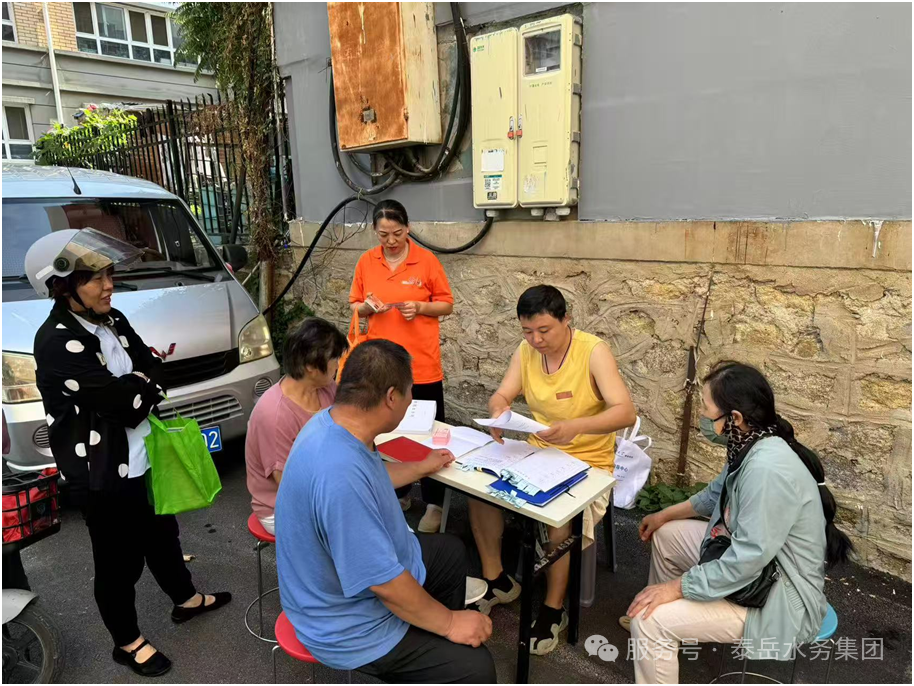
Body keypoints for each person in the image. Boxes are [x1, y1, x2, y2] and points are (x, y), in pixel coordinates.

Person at [26, 228, 230, 678]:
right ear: (63, 286)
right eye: (95, 278)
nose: (108, 286)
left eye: (109, 274)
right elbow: (123, 403)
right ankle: (127, 642)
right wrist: (138, 385)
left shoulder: (112, 319)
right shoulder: (56, 341)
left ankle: (185, 599)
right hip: (101, 473)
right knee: (118, 562)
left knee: (163, 535)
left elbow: (155, 370)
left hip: (144, 455)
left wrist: (138, 383)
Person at [276, 340, 496, 684]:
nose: (411, 400)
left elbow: (372, 476)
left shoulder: (332, 424)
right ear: (392, 397)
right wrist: (450, 623)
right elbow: (383, 583)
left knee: (450, 553)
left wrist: (420, 467)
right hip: (344, 624)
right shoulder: (339, 474)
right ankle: (435, 646)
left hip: (355, 581)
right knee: (475, 668)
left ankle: (429, 646)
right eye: (410, 391)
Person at [622, 361, 852, 684]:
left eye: (706, 408)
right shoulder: (751, 443)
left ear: (735, 418)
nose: (702, 416)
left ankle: (656, 623)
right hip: (757, 566)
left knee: (650, 623)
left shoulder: (765, 471)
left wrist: (676, 588)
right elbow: (715, 494)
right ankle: (664, 625)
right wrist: (663, 515)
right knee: (668, 536)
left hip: (778, 596)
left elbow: (747, 560)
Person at [469, 285, 637, 655]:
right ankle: (498, 580)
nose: (536, 340)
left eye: (544, 330)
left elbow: (625, 412)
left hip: (587, 462)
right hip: (540, 452)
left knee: (559, 519)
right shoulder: (526, 350)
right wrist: (498, 409)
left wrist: (577, 426)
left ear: (566, 320)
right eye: (527, 331)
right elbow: (503, 394)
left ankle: (553, 607)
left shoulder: (593, 351)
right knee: (478, 489)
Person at [349, 199, 454, 532]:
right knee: (387, 430)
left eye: (397, 233)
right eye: (383, 235)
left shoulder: (426, 260)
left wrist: (420, 308)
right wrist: (367, 307)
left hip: (421, 364)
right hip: (381, 366)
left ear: (408, 228)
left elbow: (446, 304)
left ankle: (435, 502)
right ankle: (399, 491)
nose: (391, 240)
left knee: (428, 432)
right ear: (375, 233)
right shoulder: (367, 262)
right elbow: (354, 305)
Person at [245, 317, 347, 535]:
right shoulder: (274, 414)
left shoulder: (326, 388)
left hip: (323, 487)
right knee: (355, 529)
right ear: (310, 366)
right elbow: (290, 486)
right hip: (281, 508)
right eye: (334, 358)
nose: (338, 364)